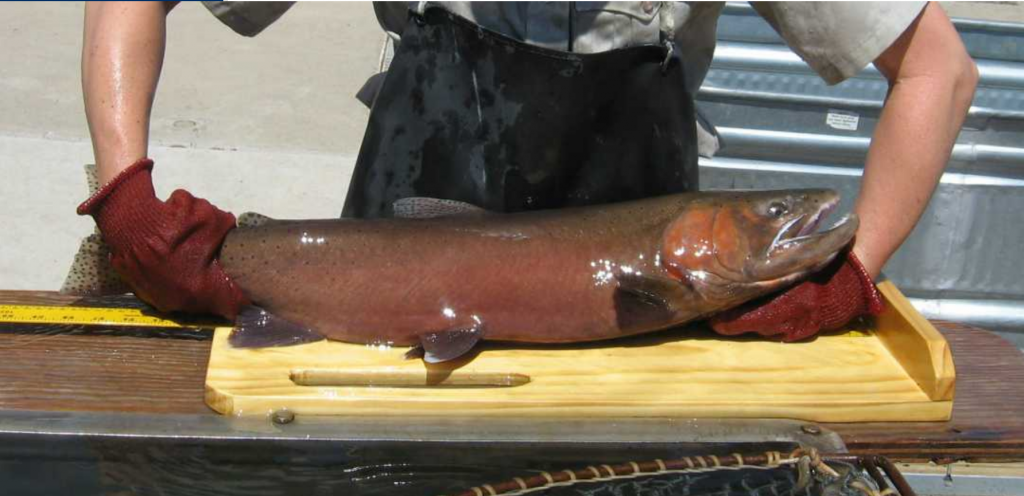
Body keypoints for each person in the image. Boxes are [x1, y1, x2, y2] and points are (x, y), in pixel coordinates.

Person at [78, 2, 977, 341]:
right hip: (387, 268)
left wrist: (857, 271)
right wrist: (127, 199)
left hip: (649, 302)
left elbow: (939, 68)